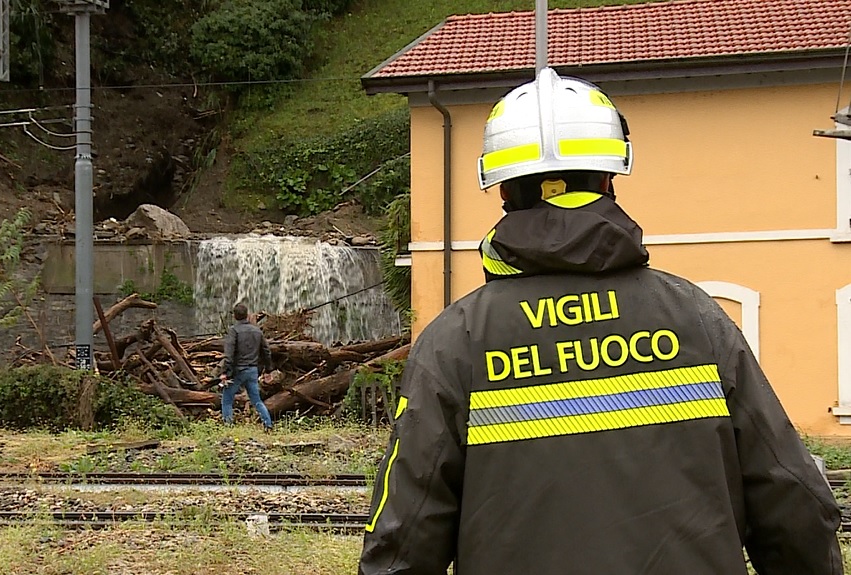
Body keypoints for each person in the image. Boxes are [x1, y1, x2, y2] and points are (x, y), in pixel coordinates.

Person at [358, 68, 842, 575]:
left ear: (502, 192)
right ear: (611, 178)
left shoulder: (454, 342)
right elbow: (793, 498)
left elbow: (403, 538)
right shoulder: (696, 317)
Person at [219, 302, 274, 429]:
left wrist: (225, 373)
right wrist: (268, 370)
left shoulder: (234, 331)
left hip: (238, 371)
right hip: (252, 370)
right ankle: (268, 424)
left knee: (227, 399)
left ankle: (228, 426)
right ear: (247, 315)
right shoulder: (257, 331)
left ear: (234, 316)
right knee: (256, 400)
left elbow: (229, 354)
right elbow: (266, 351)